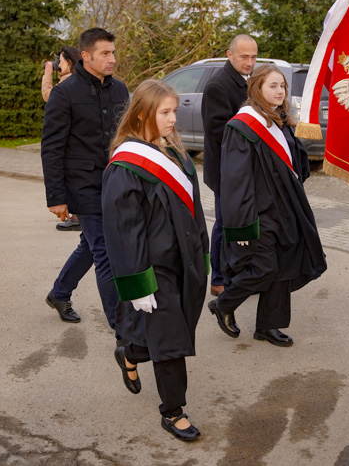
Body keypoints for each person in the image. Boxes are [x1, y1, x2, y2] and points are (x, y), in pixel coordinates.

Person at [102, 79, 209, 442]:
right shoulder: (127, 164)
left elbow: (194, 212)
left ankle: (130, 353)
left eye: (174, 111)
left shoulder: (175, 155)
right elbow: (122, 229)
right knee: (170, 339)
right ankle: (173, 411)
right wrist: (136, 281)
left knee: (164, 334)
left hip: (183, 261)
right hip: (152, 267)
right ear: (143, 113)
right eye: (165, 112)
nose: (172, 119)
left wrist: (204, 254)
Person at [207, 65, 326, 347]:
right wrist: (242, 227)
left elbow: (296, 165)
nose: (279, 91)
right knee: (264, 268)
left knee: (283, 266)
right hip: (259, 213)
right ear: (256, 88)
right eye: (272, 86)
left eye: (282, 86)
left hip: (284, 208)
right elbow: (236, 182)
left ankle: (267, 326)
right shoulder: (242, 126)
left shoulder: (279, 120)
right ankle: (223, 304)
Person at [41, 28, 129, 329]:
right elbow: (52, 147)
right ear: (86, 56)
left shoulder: (120, 90)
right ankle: (122, 330)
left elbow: (126, 137)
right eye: (105, 53)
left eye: (113, 52)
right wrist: (57, 197)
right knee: (104, 251)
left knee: (91, 246)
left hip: (115, 182)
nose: (112, 59)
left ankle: (59, 292)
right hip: (82, 185)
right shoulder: (64, 93)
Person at [201, 34, 258, 297]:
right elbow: (218, 130)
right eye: (244, 56)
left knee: (240, 221)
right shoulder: (219, 85)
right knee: (225, 223)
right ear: (230, 54)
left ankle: (237, 271)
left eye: (253, 57)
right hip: (226, 170)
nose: (249, 62)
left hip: (241, 169)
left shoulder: (246, 82)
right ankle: (219, 278)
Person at [41, 45, 82, 232]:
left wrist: (47, 73)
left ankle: (76, 216)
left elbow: (47, 96)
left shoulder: (65, 84)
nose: (59, 64)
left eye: (61, 61)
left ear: (69, 63)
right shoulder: (81, 81)